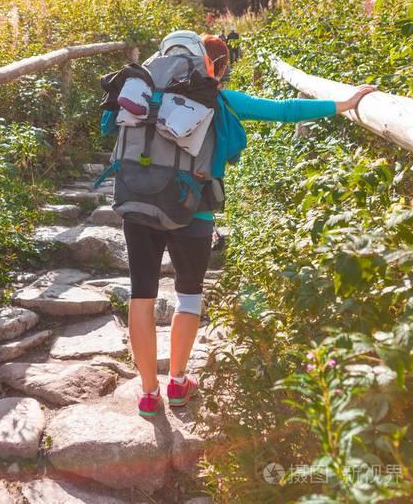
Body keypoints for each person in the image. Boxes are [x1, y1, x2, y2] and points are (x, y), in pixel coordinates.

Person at [123, 33, 376, 416]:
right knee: (188, 295)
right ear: (210, 65)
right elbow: (283, 109)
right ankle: (177, 384)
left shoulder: (144, 95)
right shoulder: (218, 100)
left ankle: (146, 392)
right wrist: (343, 103)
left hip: (138, 203)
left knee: (140, 295)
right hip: (195, 210)